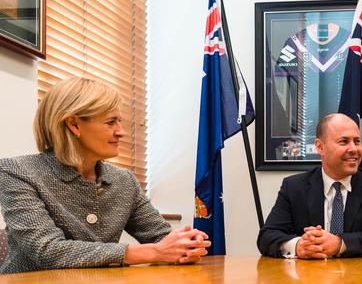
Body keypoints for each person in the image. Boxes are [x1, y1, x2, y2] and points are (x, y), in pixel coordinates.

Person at [0, 77, 211, 273]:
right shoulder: (17, 171)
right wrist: (154, 252)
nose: (121, 131)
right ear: (73, 124)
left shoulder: (124, 180)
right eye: (111, 122)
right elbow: (49, 251)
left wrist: (187, 244)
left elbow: (161, 237)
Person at [257, 113, 362, 258]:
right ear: (320, 147)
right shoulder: (294, 187)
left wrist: (340, 244)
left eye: (357, 141)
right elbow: (266, 237)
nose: (354, 149)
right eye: (344, 141)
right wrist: (298, 245)